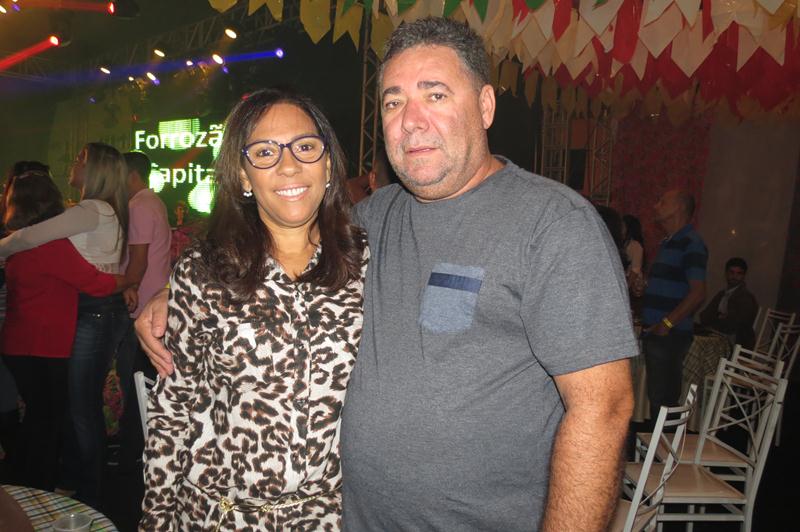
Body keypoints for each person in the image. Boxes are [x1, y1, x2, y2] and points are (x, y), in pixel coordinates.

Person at [138, 18, 636, 531]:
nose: (412, 121)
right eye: (395, 102)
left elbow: (603, 409)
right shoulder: (369, 223)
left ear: (485, 106)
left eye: (435, 95)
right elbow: (274, 257)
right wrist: (174, 294)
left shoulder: (551, 224)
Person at [138, 88, 368, 530]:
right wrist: (155, 521)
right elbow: (173, 410)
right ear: (243, 177)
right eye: (264, 152)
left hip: (328, 518)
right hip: (219, 517)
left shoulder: (365, 262)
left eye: (305, 147)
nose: (288, 165)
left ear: (327, 165)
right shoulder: (205, 270)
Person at [0, 142, 130, 506]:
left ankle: (72, 487)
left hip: (63, 323)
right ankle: (54, 486)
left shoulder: (87, 212)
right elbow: (95, 277)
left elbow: (30, 238)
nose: (73, 164)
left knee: (70, 410)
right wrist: (127, 281)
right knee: (62, 412)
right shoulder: (71, 230)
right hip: (60, 330)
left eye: (80, 160)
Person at [113, 151, 171, 467]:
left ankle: (132, 450)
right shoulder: (152, 201)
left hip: (141, 306)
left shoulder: (139, 206)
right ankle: (137, 447)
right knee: (141, 380)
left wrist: (126, 285)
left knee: (134, 381)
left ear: (129, 174)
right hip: (150, 303)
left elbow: (138, 262)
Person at [642, 189, 707, 422]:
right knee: (658, 398)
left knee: (664, 401)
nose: (656, 206)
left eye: (662, 201)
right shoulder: (668, 243)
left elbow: (698, 292)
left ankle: (664, 444)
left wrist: (667, 323)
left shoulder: (691, 243)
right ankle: (660, 443)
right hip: (659, 331)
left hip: (669, 335)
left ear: (678, 207)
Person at [699, 257, 758, 348]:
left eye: (739, 273)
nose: (734, 276)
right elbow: (704, 316)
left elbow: (736, 324)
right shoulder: (722, 294)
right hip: (715, 334)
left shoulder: (746, 297)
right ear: (726, 273)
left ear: (744, 276)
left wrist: (718, 317)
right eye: (731, 272)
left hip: (735, 342)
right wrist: (721, 316)